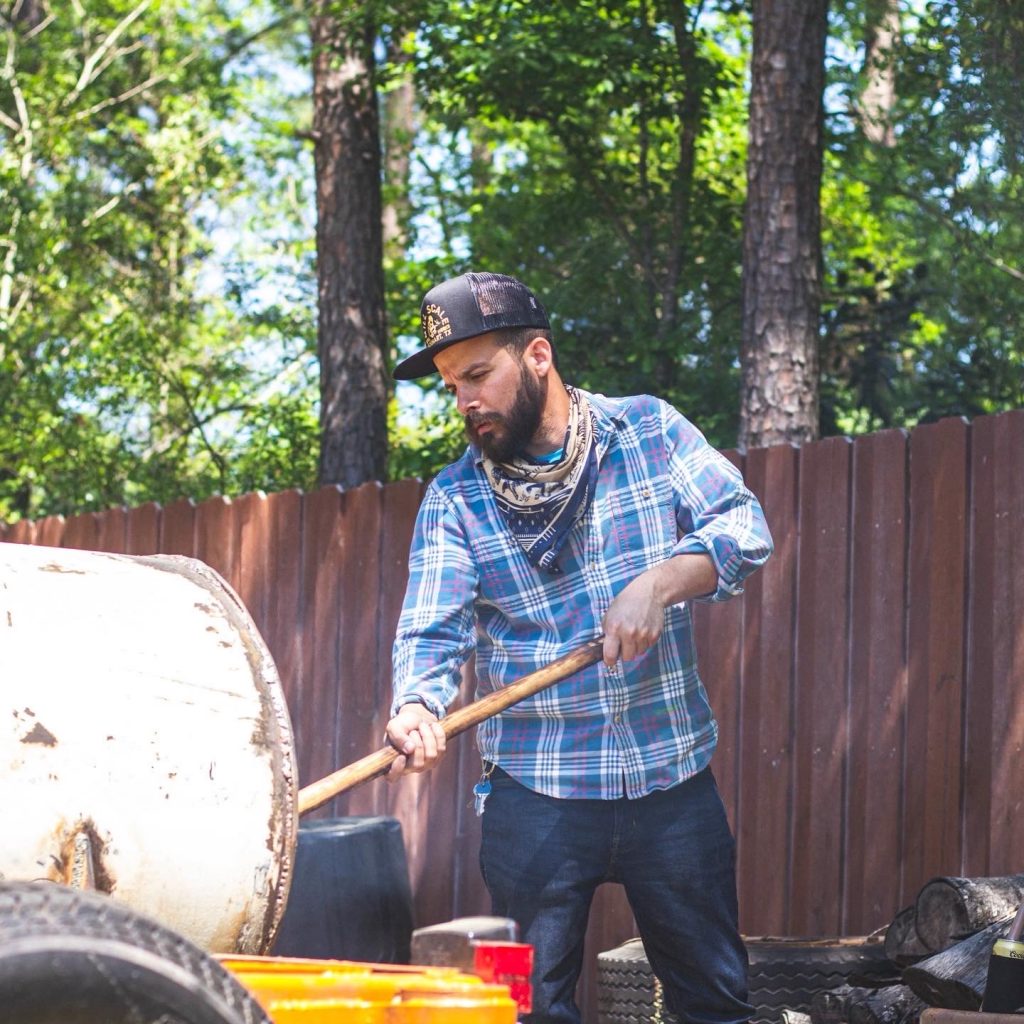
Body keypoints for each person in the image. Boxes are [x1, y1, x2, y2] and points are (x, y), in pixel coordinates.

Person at [384, 271, 773, 1024]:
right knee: (522, 1010)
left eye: (476, 375)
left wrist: (659, 582)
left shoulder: (648, 431)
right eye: (450, 385)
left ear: (537, 355)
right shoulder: (455, 498)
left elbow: (743, 527)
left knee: (717, 1006)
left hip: (672, 780)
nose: (463, 401)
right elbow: (431, 627)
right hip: (534, 797)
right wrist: (416, 706)